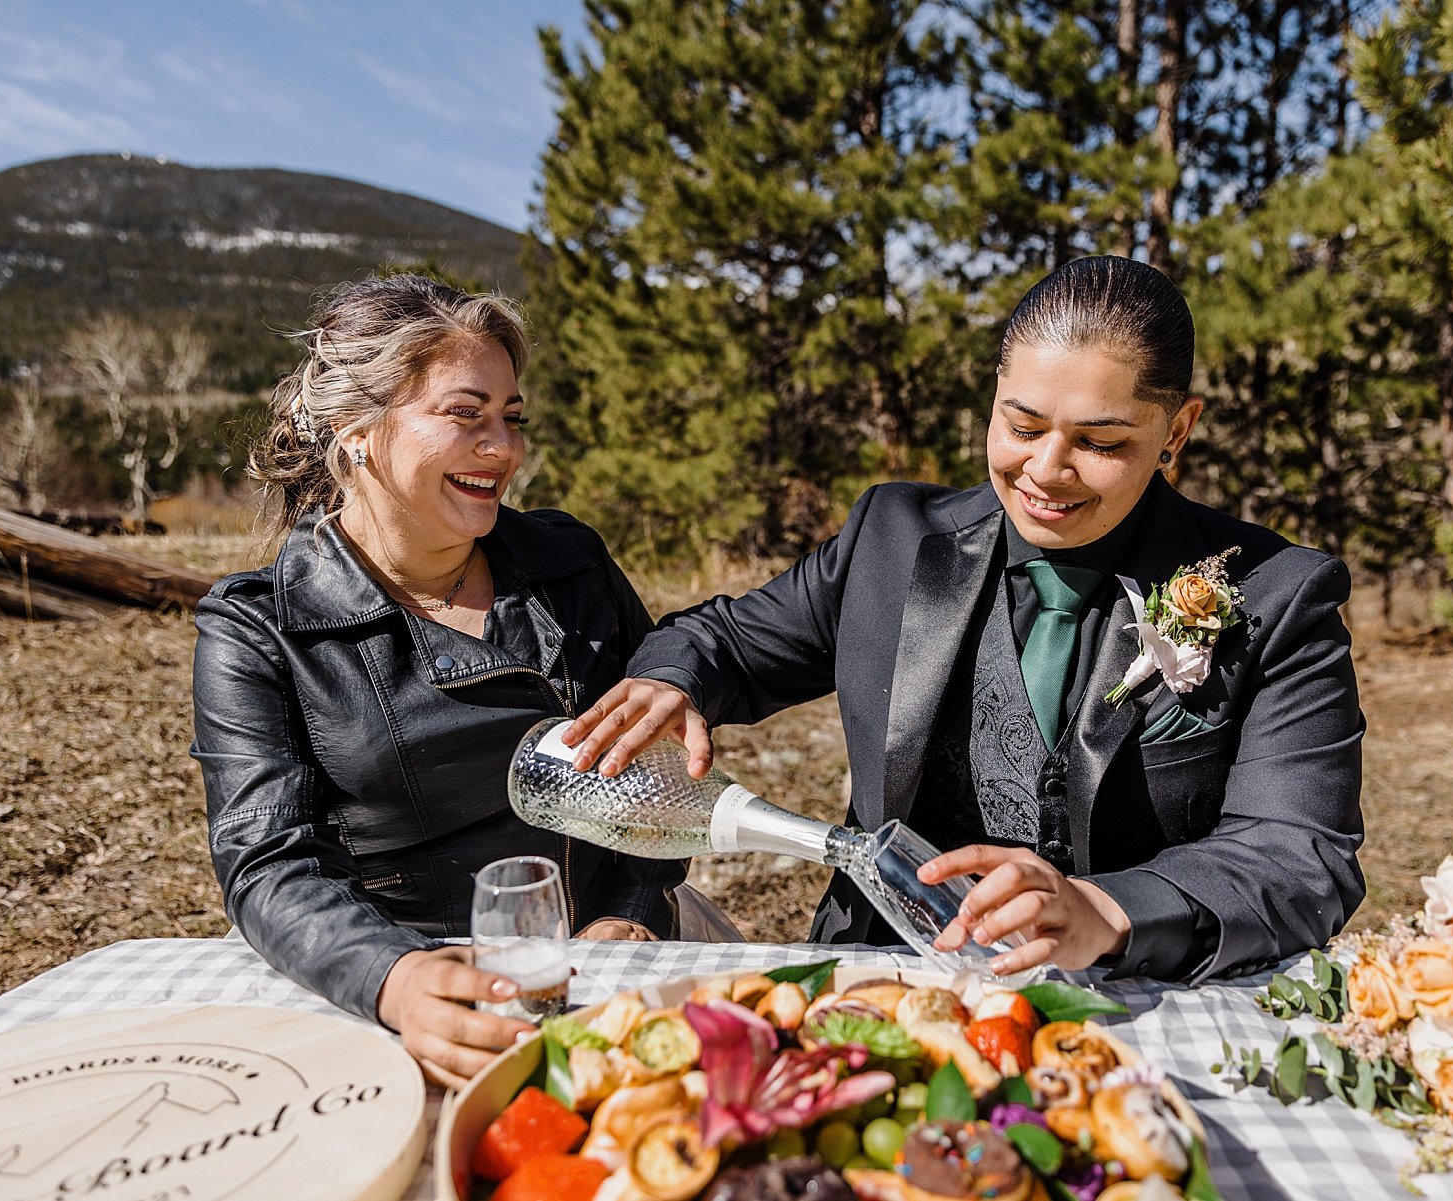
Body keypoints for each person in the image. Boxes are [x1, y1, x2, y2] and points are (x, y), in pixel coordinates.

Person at [563, 255, 1364, 983]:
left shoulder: (1275, 594)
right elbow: (721, 639)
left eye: (1100, 441)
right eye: (1021, 426)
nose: (1046, 470)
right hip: (881, 976)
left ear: (1176, 431)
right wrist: (672, 679)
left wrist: (1111, 912)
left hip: (1136, 997)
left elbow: (1301, 854)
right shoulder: (891, 540)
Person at [191, 273, 683, 1088]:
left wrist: (630, 913)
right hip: (406, 991)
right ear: (357, 431)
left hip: (617, 958)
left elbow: (659, 764)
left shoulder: (572, 562)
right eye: (467, 414)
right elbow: (266, 861)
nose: (505, 447)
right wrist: (396, 980)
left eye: (512, 418)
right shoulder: (258, 629)